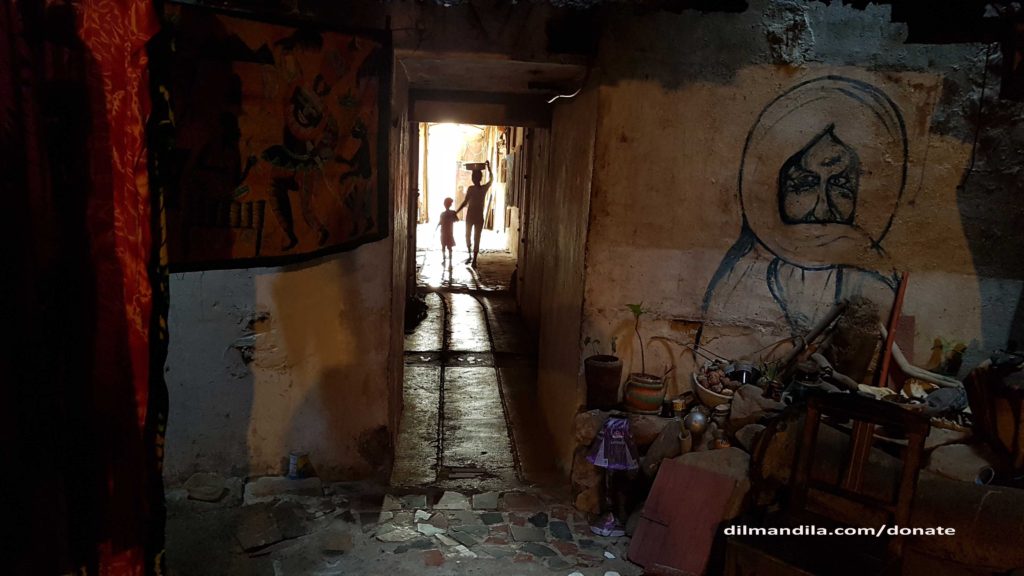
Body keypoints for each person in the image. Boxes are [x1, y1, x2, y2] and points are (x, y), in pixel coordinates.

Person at [455, 160, 492, 266]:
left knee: (468, 235)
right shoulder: (484, 188)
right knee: (477, 237)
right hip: (479, 216)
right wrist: (488, 168)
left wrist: (456, 212)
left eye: (473, 177)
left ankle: (471, 256)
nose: (473, 178)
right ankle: (474, 259)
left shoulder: (471, 189)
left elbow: (465, 202)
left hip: (471, 216)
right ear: (480, 178)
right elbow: (492, 179)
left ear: (474, 178)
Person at [436, 197, 459, 265]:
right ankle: (450, 260)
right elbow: (457, 220)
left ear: (444, 205)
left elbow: (440, 222)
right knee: (449, 247)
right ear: (451, 204)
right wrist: (453, 217)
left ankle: (444, 259)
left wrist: (437, 226)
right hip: (450, 232)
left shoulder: (442, 214)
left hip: (443, 232)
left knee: (443, 246)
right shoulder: (453, 213)